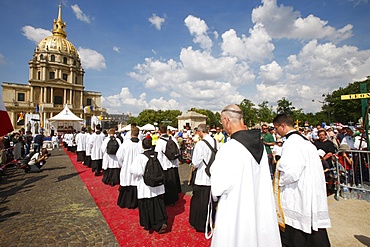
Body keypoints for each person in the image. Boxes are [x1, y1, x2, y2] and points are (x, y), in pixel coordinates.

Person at [210, 104, 281, 246]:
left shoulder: (229, 149)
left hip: (236, 211)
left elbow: (217, 188)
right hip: (259, 206)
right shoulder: (260, 145)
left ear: (226, 120)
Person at [273, 113, 331, 246]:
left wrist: (277, 181)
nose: (276, 131)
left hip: (298, 193)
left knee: (297, 234)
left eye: (276, 128)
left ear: (283, 125)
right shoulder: (304, 141)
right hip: (309, 191)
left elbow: (291, 172)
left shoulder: (292, 143)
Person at [130, 138, 168, 234]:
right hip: (158, 185)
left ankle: (149, 223)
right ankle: (161, 221)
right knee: (158, 204)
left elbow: (134, 171)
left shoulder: (140, 157)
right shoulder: (157, 155)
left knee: (148, 205)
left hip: (146, 186)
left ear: (142, 146)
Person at [189, 123, 219, 232]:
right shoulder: (216, 142)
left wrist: (193, 166)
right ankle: (211, 222)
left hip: (202, 176)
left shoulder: (200, 144)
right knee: (210, 202)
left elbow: (196, 162)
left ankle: (200, 224)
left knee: (200, 202)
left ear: (201, 132)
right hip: (213, 176)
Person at [116, 126, 143, 209]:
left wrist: (122, 164)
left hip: (127, 167)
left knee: (128, 183)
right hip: (138, 168)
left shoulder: (125, 144)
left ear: (131, 134)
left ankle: (126, 202)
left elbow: (119, 156)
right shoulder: (142, 144)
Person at [155, 125, 181, 206]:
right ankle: (175, 198)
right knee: (174, 182)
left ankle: (169, 200)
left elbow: (158, 155)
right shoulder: (172, 138)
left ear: (159, 131)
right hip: (173, 164)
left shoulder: (160, 141)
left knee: (168, 183)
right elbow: (178, 149)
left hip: (165, 165)